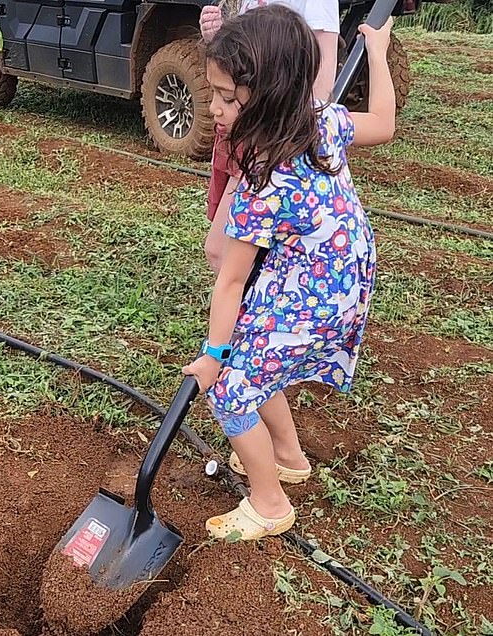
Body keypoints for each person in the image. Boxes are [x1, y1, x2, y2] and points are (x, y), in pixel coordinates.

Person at [183, 4, 395, 541]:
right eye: (214, 92)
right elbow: (384, 125)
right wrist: (377, 53)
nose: (216, 107)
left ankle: (269, 503)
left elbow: (230, 280)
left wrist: (212, 356)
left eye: (229, 98)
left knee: (230, 390)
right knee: (250, 352)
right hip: (339, 277)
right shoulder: (319, 120)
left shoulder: (262, 182)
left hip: (313, 293)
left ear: (271, 93)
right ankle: (288, 457)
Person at [200, 0, 340, 273]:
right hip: (248, 130)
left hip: (272, 139)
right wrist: (219, 39)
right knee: (224, 249)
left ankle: (246, 308)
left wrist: (290, 139)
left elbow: (322, 71)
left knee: (224, 251)